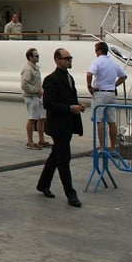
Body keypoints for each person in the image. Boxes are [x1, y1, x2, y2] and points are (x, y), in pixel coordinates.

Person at [36, 48, 86, 207]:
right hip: (58, 126)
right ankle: (71, 194)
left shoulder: (68, 77)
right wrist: (69, 108)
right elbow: (48, 104)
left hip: (68, 124)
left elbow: (68, 98)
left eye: (70, 58)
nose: (70, 60)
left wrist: (77, 106)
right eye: (67, 58)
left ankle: (43, 184)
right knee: (64, 159)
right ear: (58, 60)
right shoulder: (52, 79)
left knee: (56, 156)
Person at [86, 41, 127, 151]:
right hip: (111, 93)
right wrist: (114, 85)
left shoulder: (97, 62)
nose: (95, 52)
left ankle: (102, 147)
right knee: (111, 121)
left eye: (96, 50)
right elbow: (123, 76)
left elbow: (89, 74)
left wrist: (89, 86)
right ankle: (113, 147)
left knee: (99, 121)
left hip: (100, 93)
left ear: (99, 51)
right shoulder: (113, 63)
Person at [21, 48, 49, 149]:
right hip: (31, 97)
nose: (38, 57)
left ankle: (41, 140)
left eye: (38, 56)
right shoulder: (28, 69)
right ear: (30, 57)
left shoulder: (35, 68)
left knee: (42, 118)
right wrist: (36, 90)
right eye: (36, 56)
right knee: (32, 118)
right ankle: (30, 141)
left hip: (38, 97)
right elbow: (24, 84)